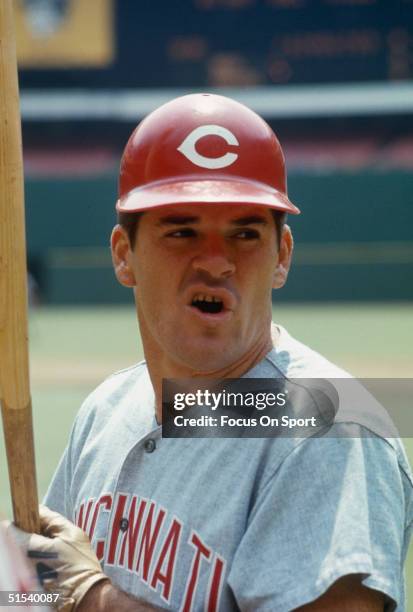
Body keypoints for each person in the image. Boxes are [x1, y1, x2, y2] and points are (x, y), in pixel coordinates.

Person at [6, 93, 413, 611]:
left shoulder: (333, 429)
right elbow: (43, 588)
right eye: (183, 231)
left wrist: (92, 600)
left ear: (282, 256)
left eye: (245, 232)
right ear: (123, 255)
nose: (217, 263)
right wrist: (22, 588)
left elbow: (76, 593)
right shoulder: (107, 408)